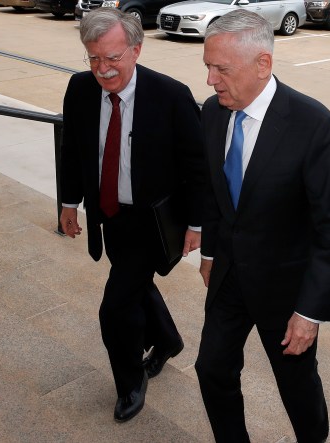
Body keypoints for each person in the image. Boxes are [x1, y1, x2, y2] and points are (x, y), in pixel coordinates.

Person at [195, 10, 330, 443]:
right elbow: (213, 191)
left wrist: (310, 311)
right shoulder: (212, 113)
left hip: (287, 293)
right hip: (229, 277)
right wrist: (210, 252)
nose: (211, 80)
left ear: (262, 64)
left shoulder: (314, 125)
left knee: (296, 386)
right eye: (208, 66)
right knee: (211, 369)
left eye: (221, 69)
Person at [59, 8, 204, 422]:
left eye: (113, 58)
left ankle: (130, 383)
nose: (102, 70)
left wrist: (196, 224)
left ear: (136, 50)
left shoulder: (171, 95)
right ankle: (169, 340)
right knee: (134, 283)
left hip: (152, 222)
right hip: (109, 213)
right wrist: (69, 203)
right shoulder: (79, 88)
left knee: (115, 308)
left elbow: (196, 166)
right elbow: (72, 151)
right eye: (93, 59)